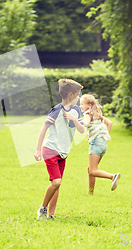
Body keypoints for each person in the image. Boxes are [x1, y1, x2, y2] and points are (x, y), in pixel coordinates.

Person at [34, 79, 85, 220]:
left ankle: (51, 215)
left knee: (56, 185)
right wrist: (38, 150)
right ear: (70, 95)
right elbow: (43, 128)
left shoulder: (75, 110)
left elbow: (81, 130)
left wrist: (74, 119)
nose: (79, 97)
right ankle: (42, 209)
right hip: (50, 149)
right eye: (77, 94)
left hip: (63, 152)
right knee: (57, 182)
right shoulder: (57, 110)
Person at [79, 94, 120, 194]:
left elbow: (86, 124)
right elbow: (109, 123)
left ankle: (112, 176)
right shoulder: (97, 114)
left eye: (82, 104)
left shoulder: (88, 114)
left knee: (93, 171)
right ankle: (90, 193)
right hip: (102, 144)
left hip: (95, 144)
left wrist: (78, 121)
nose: (80, 106)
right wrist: (103, 137)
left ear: (89, 104)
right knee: (91, 169)